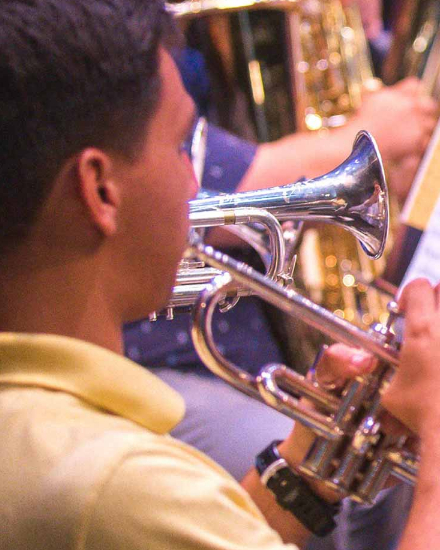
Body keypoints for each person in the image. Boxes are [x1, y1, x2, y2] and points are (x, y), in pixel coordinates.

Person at [0, 1, 392, 548]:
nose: (195, 183)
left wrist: (310, 463)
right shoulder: (124, 485)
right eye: (182, 145)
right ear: (100, 190)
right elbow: (142, 505)